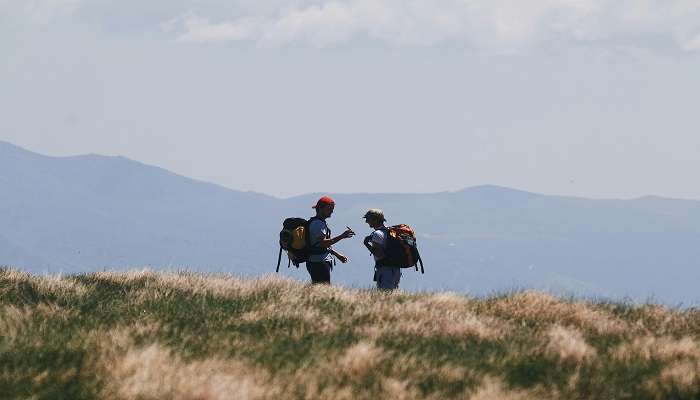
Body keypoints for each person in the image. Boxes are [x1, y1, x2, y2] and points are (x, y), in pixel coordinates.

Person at [306, 196, 355, 284]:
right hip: (319, 262)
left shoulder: (318, 222)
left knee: (319, 288)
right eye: (329, 209)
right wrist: (342, 236)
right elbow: (323, 243)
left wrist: (337, 255)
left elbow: (320, 244)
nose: (332, 211)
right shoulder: (318, 224)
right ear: (321, 208)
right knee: (324, 289)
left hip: (316, 261)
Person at [363, 209, 401, 290]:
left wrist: (366, 244)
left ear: (375, 220)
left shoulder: (377, 234)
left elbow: (379, 255)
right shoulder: (391, 231)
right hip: (396, 269)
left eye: (368, 219)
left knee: (385, 296)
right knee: (393, 294)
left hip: (385, 269)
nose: (366, 221)